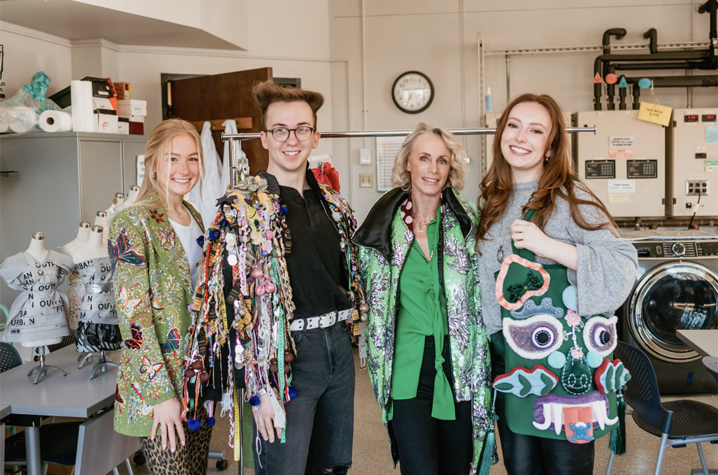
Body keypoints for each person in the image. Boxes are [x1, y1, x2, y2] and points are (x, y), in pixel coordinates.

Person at [189, 80, 366, 475]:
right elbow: (229, 303)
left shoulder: (334, 205)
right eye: (280, 130)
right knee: (285, 467)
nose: (292, 139)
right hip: (283, 357)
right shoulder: (241, 208)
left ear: (315, 136)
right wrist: (260, 383)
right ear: (265, 139)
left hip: (337, 348)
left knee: (333, 466)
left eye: (302, 129)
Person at [477, 94, 638, 475]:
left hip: (563, 369)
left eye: (536, 130)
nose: (521, 137)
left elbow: (622, 263)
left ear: (551, 146)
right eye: (513, 125)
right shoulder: (493, 198)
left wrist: (550, 247)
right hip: (509, 363)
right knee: (522, 470)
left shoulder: (568, 196)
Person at [354, 123, 492, 475]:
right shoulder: (383, 225)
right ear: (408, 165)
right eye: (425, 158)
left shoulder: (468, 222)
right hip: (407, 364)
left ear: (451, 169)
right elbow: (361, 287)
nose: (433, 169)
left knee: (458, 467)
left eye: (442, 161)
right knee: (418, 467)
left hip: (460, 364)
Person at [110, 119, 211, 474]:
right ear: (152, 163)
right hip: (160, 383)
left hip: (197, 375)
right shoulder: (132, 222)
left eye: (193, 158)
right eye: (173, 158)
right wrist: (161, 395)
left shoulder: (194, 216)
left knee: (196, 470)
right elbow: (133, 317)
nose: (184, 169)